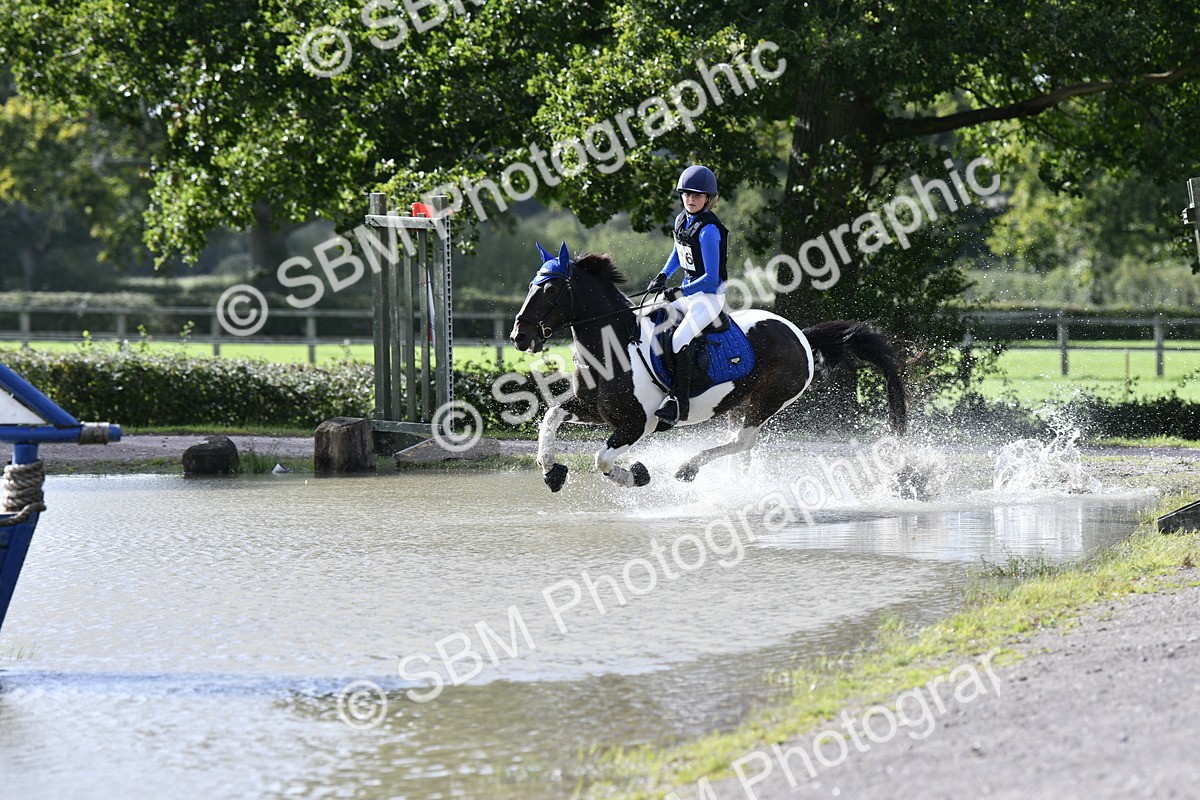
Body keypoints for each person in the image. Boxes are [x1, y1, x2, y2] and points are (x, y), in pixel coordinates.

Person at [645, 165, 728, 426]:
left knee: (680, 337)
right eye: (687, 194)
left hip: (708, 298)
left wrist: (679, 291)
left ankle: (679, 402)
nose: (691, 199)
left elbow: (711, 279)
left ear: (708, 199)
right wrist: (662, 276)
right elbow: (677, 252)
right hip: (688, 293)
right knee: (650, 317)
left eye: (698, 195)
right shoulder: (683, 220)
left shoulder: (709, 231)